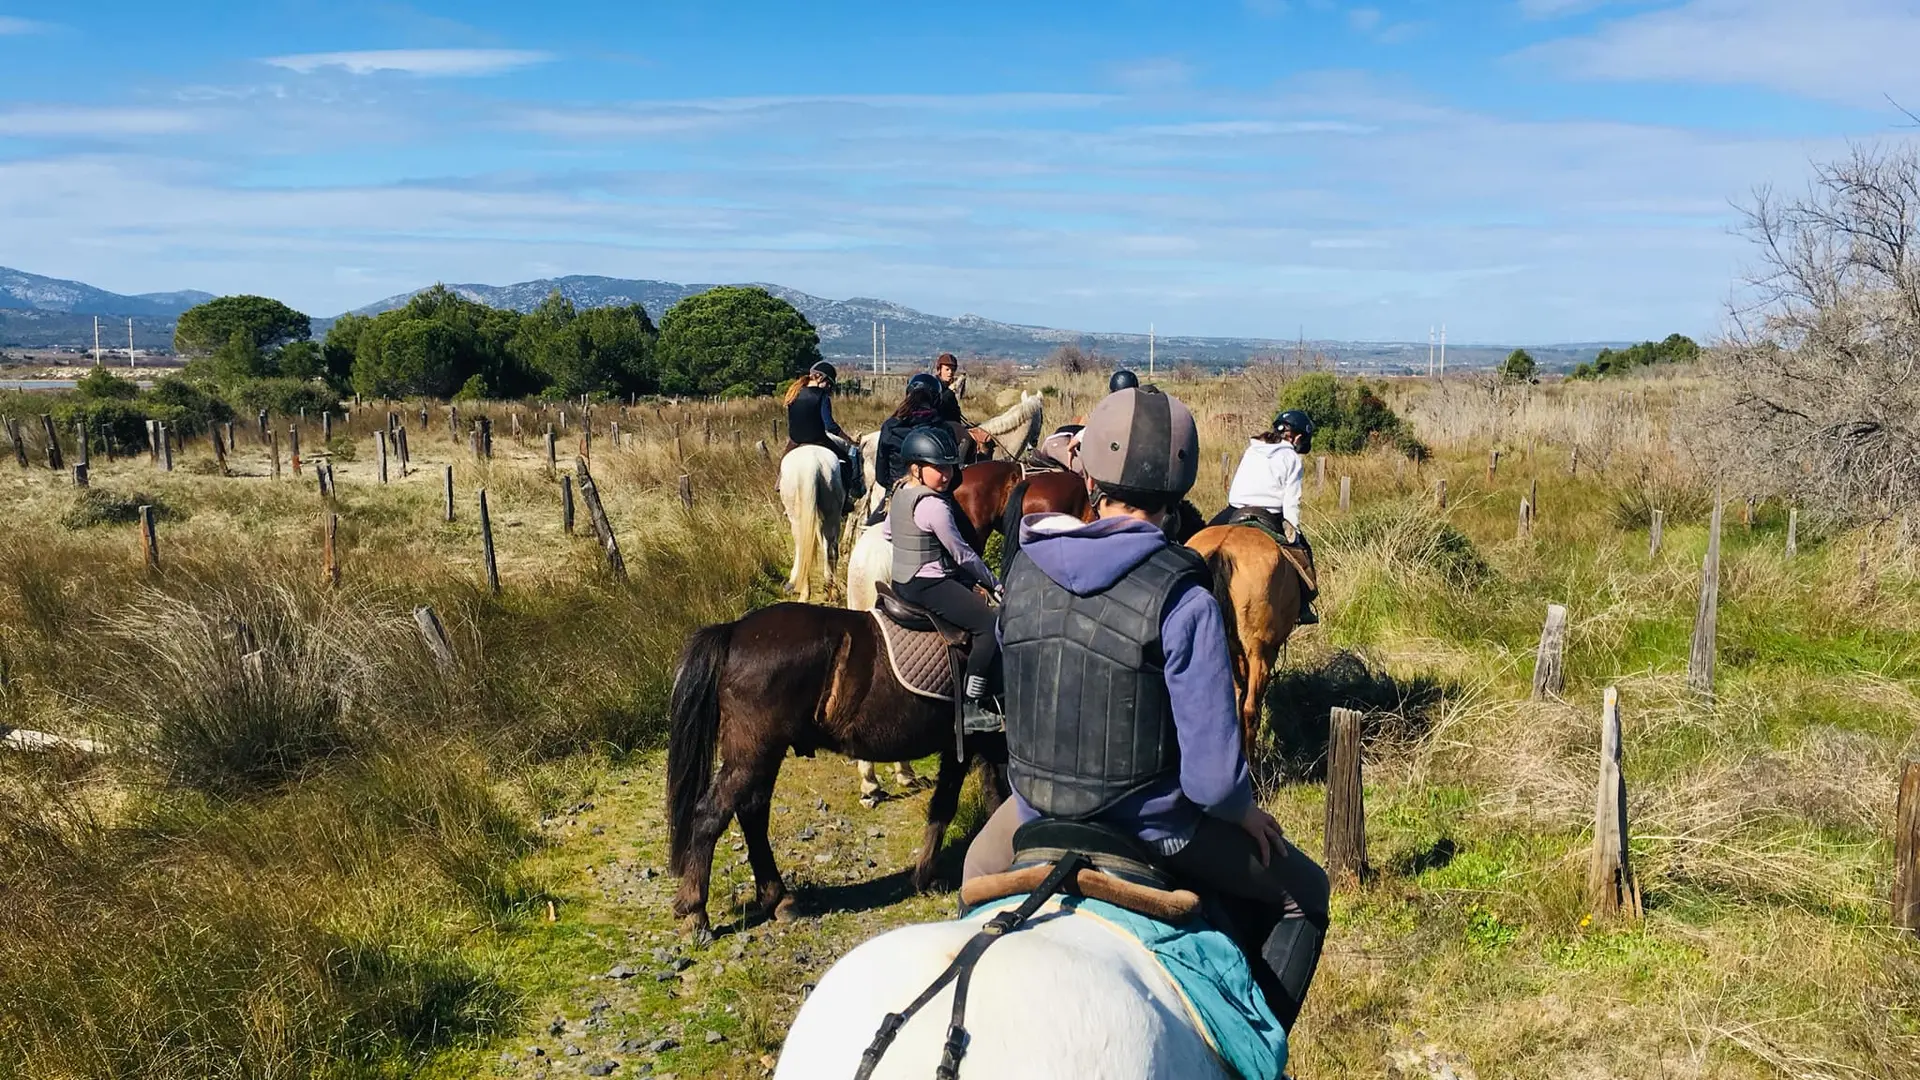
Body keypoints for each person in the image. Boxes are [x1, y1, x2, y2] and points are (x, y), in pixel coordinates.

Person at [963, 386, 1329, 1030]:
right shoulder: (1183, 599)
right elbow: (1214, 782)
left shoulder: (1023, 572)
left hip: (1032, 813)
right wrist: (1243, 813)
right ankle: (1251, 1045)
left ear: (1091, 475)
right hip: (1153, 827)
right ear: (1180, 484)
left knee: (972, 872)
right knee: (1307, 895)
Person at [883, 426, 1000, 704]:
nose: (947, 476)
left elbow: (888, 532)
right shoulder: (934, 505)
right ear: (916, 468)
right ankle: (975, 704)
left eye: (949, 468)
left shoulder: (901, 492)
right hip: (928, 586)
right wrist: (994, 583)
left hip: (901, 581)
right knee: (989, 626)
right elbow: (962, 555)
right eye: (939, 469)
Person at [1212, 409, 1319, 624]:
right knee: (1303, 554)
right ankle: (1303, 605)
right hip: (1270, 514)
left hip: (1235, 509)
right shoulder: (1292, 458)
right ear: (1297, 437)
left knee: (1200, 539)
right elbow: (1291, 502)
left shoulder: (1253, 449)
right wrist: (1293, 531)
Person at [783, 360, 862, 506]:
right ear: (820, 378)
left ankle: (780, 485)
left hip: (795, 440)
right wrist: (848, 439)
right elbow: (830, 425)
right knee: (847, 460)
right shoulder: (822, 396)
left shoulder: (794, 393)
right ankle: (846, 499)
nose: (829, 388)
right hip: (818, 439)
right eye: (829, 383)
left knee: (783, 464)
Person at [870, 374, 947, 523]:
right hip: (934, 495)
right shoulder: (942, 428)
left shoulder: (890, 426)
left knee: (869, 530)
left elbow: (881, 475)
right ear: (936, 399)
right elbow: (953, 475)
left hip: (897, 495)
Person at [934, 352, 968, 421]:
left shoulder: (948, 387)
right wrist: (950, 391)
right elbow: (937, 405)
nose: (950, 372)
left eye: (953, 369)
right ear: (939, 370)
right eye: (947, 369)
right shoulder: (933, 386)